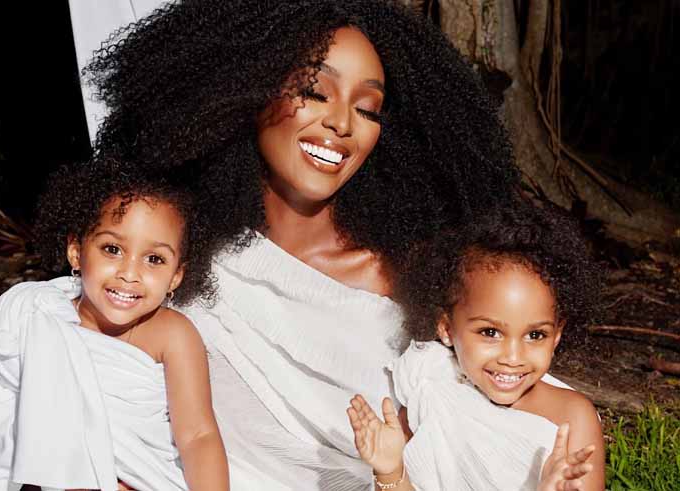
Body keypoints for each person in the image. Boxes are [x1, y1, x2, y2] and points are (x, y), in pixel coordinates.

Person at [71, 0, 528, 488]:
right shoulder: (178, 254)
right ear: (246, 90)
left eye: (367, 108)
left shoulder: (406, 278)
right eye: (315, 90)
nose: (342, 124)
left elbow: (482, 404)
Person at [0, 158, 231, 491]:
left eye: (154, 259)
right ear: (76, 252)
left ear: (177, 276)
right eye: (112, 249)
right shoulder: (39, 323)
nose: (129, 273)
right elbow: (11, 428)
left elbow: (198, 435)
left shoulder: (173, 335)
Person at [347, 202, 606, 490]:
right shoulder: (430, 387)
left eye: (535, 335)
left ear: (557, 334)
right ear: (446, 328)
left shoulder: (572, 418)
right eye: (490, 332)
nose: (512, 357)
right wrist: (390, 470)